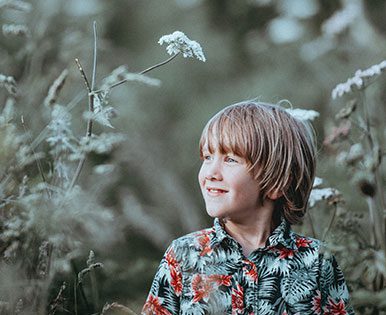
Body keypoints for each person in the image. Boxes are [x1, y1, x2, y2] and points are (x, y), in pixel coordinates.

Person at [142, 101, 354, 315]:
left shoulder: (317, 261)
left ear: (276, 183)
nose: (211, 173)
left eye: (230, 159)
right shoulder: (182, 256)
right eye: (207, 157)